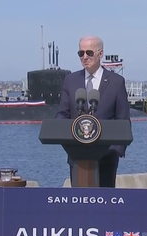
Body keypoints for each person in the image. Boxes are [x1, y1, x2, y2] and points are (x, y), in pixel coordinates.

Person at [55, 35, 131, 188]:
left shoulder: (116, 82)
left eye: (89, 53)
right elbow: (62, 114)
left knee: (104, 207)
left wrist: (116, 150)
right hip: (77, 156)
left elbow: (122, 119)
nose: (84, 57)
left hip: (106, 158)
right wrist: (63, 137)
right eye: (81, 53)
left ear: (100, 54)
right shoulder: (71, 80)